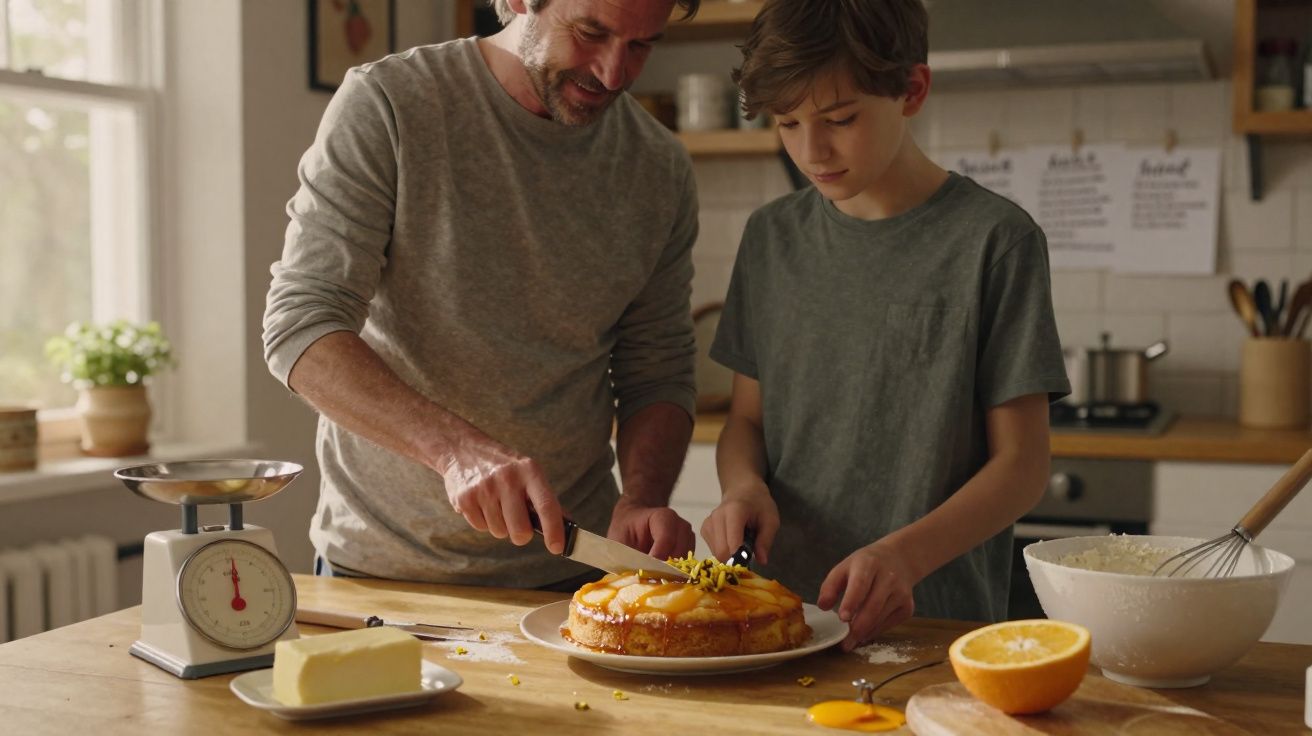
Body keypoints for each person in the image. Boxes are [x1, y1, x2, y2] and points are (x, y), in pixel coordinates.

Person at [262, 0, 703, 590]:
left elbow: (658, 370)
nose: (613, 74)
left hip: (577, 574)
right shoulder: (391, 102)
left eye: (642, 45)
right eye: (590, 33)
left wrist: (642, 499)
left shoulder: (659, 167)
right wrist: (454, 451)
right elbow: (301, 326)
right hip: (384, 571)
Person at [699, 0, 1071, 650]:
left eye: (840, 119)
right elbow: (747, 422)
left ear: (912, 90)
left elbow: (1023, 465)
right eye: (787, 122)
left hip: (936, 628)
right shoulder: (770, 239)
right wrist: (742, 487)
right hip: (780, 621)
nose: (811, 149)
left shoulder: (995, 242)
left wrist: (905, 557)